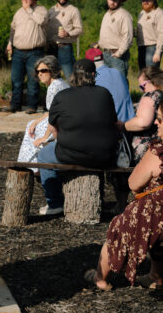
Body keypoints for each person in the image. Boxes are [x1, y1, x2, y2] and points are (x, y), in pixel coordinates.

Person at [89, 96, 163, 290]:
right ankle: (155, 277)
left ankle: (100, 278)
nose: (156, 123)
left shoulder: (159, 152)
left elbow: (133, 183)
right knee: (162, 234)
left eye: (161, 119)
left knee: (118, 229)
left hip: (156, 212)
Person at [37, 58, 119, 216]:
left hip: (70, 152)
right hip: (104, 153)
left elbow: (54, 130)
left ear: (73, 75)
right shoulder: (104, 94)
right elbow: (112, 122)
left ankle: (55, 203)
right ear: (94, 75)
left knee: (43, 155)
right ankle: (99, 198)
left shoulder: (62, 96)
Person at [16, 55, 69, 166]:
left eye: (43, 70)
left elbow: (53, 116)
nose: (40, 74)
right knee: (32, 124)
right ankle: (31, 163)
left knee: (33, 130)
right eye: (38, 71)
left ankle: (31, 165)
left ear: (52, 70)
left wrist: (45, 137)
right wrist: (36, 120)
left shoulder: (54, 87)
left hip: (60, 123)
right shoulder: (61, 83)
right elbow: (51, 111)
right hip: (63, 120)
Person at [6, 0, 48, 114]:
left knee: (33, 80)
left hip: (34, 51)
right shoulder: (19, 12)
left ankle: (32, 106)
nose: (24, 0)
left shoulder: (41, 10)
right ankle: (15, 105)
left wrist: (29, 9)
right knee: (16, 79)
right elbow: (13, 29)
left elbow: (41, 21)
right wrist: (9, 43)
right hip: (18, 51)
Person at [122, 67, 163, 162]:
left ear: (153, 81)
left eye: (143, 86)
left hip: (148, 152)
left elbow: (143, 122)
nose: (142, 90)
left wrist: (123, 126)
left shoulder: (152, 95)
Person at [85, 46, 135, 122]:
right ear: (103, 58)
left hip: (115, 125)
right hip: (130, 120)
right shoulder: (117, 72)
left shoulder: (95, 78)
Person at [95, 0, 133, 83]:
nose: (112, 2)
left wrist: (119, 53)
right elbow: (107, 33)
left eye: (115, 0)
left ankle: (125, 98)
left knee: (120, 82)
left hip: (117, 55)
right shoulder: (107, 14)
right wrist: (99, 43)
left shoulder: (124, 15)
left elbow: (127, 37)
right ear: (107, 0)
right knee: (107, 82)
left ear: (119, 0)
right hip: (105, 54)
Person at [46, 0, 82, 80]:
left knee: (70, 76)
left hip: (65, 47)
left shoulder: (73, 10)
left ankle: (74, 94)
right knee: (52, 78)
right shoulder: (51, 11)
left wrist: (68, 33)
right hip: (51, 48)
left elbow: (79, 29)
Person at [136, 0, 163, 70]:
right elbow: (140, 31)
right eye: (143, 0)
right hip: (141, 48)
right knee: (143, 75)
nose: (145, 2)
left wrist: (158, 52)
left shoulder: (159, 13)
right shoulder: (141, 13)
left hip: (153, 48)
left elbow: (162, 34)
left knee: (152, 75)